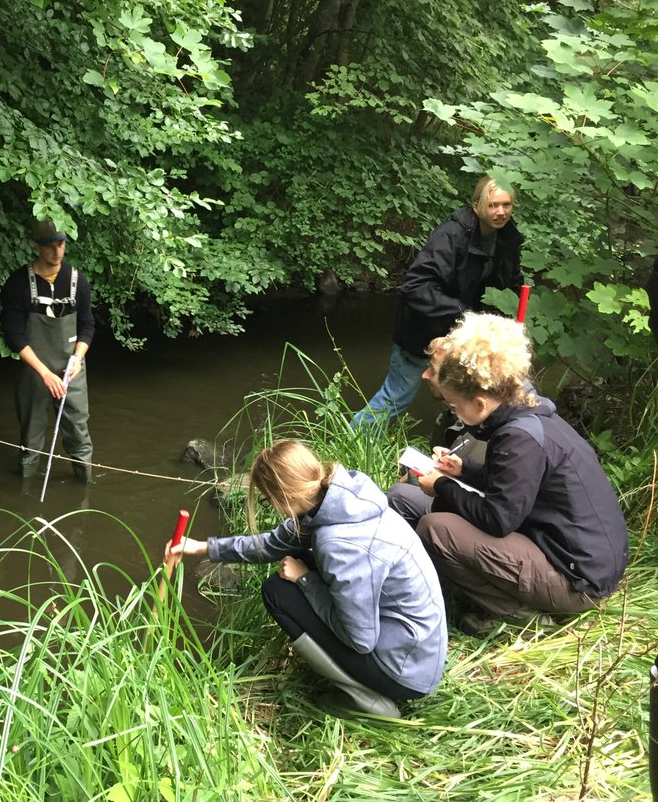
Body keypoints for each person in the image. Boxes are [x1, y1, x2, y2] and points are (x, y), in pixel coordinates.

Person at [167, 440, 446, 718]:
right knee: (297, 560)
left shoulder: (338, 545)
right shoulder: (341, 498)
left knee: (278, 591)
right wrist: (203, 547)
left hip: (404, 671)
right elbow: (273, 544)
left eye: (267, 500)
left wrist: (305, 580)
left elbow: (360, 640)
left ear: (282, 498)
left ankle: (368, 701)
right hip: (416, 648)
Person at [392, 313, 628, 635]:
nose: (453, 412)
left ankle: (520, 617)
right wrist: (463, 470)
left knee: (437, 530)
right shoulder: (523, 409)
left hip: (576, 578)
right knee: (403, 497)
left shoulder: (519, 438)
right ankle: (422, 584)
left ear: (479, 403)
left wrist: (443, 485)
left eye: (454, 406)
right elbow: (512, 485)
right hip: (553, 544)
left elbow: (498, 520)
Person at [351, 176, 524, 429]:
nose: (501, 212)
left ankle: (457, 444)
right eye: (493, 205)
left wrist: (503, 327)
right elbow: (415, 286)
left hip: (467, 338)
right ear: (476, 205)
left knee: (468, 397)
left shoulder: (508, 238)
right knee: (396, 398)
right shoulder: (451, 235)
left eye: (506, 205)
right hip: (422, 332)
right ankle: (351, 442)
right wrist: (465, 316)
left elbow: (510, 284)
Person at [0, 219, 94, 481]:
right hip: (34, 369)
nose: (56, 251)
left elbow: (87, 325)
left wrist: (78, 358)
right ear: (37, 247)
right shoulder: (18, 283)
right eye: (49, 245)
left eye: (60, 244)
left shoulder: (78, 280)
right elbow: (14, 335)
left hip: (71, 368)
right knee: (31, 433)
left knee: (78, 430)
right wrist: (44, 373)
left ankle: (84, 481)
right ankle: (26, 484)